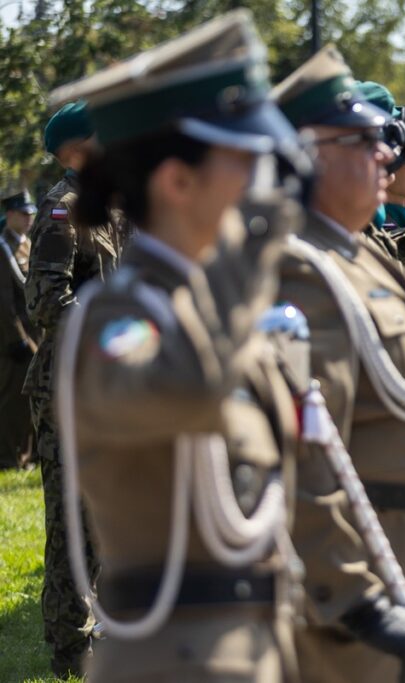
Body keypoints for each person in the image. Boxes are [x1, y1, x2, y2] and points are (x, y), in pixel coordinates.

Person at [51, 10, 308, 680]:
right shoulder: (118, 316)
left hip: (249, 650)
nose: (264, 178)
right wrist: (246, 255)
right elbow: (185, 390)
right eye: (243, 158)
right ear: (176, 180)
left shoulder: (202, 305)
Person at [273, 46, 405, 682]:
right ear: (308, 152)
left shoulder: (365, 258)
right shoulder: (300, 273)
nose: (387, 153)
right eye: (364, 140)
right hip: (358, 583)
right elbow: (303, 457)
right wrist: (358, 601)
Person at [25, 99, 130, 677]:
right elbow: (45, 303)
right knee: (73, 528)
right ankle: (69, 645)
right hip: (69, 392)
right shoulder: (63, 211)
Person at [0, 191, 39, 469]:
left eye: (30, 213)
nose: (29, 218)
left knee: (32, 399)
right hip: (11, 339)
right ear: (10, 214)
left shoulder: (27, 244)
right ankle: (8, 457)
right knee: (12, 399)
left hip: (34, 333)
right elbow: (4, 300)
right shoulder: (3, 247)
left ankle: (27, 455)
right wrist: (17, 339)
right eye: (23, 213)